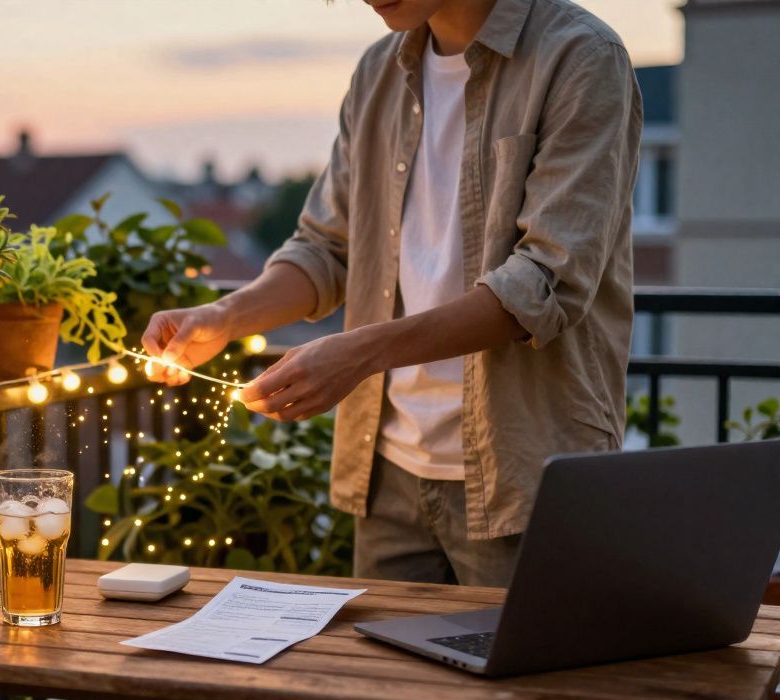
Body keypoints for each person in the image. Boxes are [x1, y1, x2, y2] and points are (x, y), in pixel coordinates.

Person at [141, 0, 641, 588]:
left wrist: (358, 353)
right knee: (380, 682)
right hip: (388, 476)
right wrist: (226, 316)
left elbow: (543, 283)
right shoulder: (378, 72)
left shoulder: (581, 57)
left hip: (525, 474)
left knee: (524, 683)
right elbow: (326, 250)